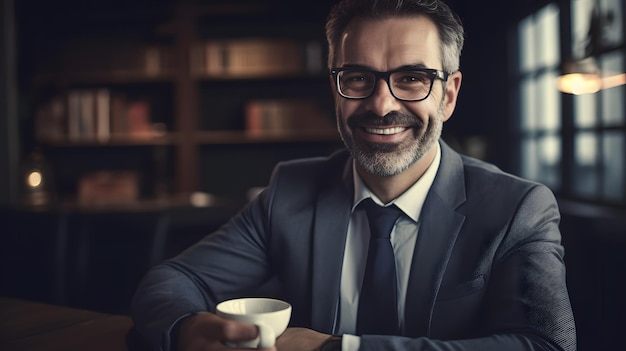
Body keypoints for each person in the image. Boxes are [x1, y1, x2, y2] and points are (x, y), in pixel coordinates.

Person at [130, 0, 577, 350]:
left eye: (412, 78)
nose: (382, 105)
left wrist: (338, 349)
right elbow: (172, 281)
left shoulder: (519, 208)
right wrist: (187, 329)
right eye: (359, 78)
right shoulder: (289, 190)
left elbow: (545, 344)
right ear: (335, 90)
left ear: (448, 95)